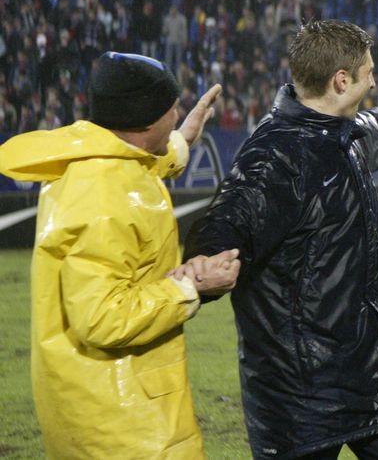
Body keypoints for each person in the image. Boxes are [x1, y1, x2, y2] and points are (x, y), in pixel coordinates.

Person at [183, 20, 378, 460]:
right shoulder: (273, 156)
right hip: (301, 403)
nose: (374, 81)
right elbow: (228, 218)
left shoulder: (341, 132)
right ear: (341, 80)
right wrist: (205, 261)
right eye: (368, 72)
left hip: (375, 383)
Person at [0, 52, 238, 459]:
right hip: (120, 423)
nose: (176, 114)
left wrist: (182, 139)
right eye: (171, 108)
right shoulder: (103, 196)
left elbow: (139, 164)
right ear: (146, 119)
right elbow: (102, 318)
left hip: (105, 402)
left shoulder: (101, 158)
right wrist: (192, 286)